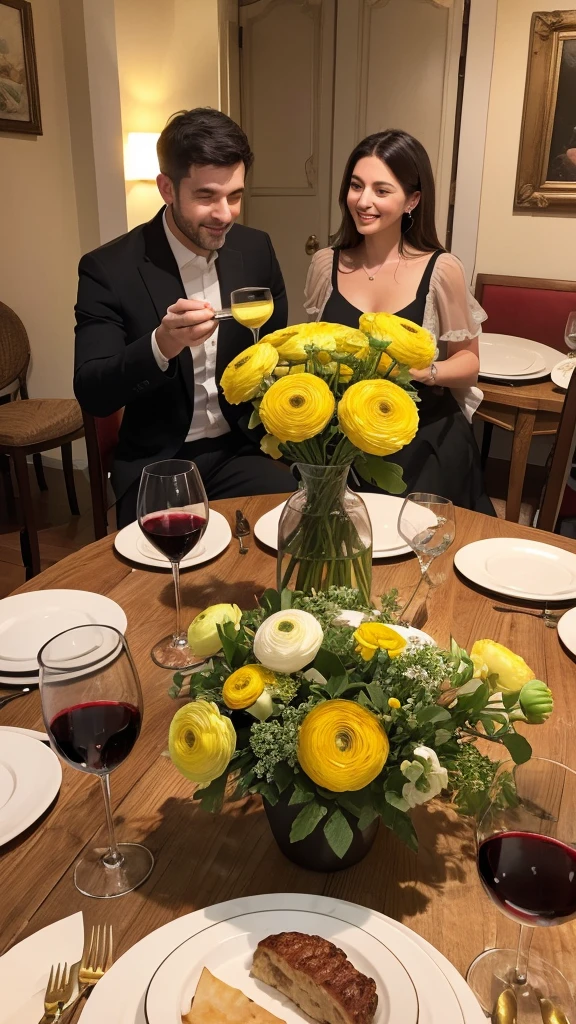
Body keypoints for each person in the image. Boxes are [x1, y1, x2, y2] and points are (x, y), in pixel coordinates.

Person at [74, 108, 293, 528]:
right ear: (167, 188)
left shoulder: (255, 250)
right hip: (159, 462)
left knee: (297, 527)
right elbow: (93, 391)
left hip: (241, 449)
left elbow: (277, 349)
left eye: (235, 195)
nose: (225, 214)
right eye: (207, 196)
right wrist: (161, 345)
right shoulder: (109, 269)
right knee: (165, 572)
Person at [304, 129, 495, 515]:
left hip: (421, 434)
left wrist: (427, 371)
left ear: (413, 199)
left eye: (381, 190)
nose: (363, 201)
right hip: (343, 434)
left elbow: (470, 365)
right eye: (356, 186)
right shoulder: (326, 264)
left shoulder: (441, 270)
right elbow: (312, 344)